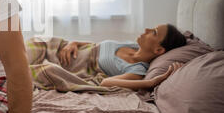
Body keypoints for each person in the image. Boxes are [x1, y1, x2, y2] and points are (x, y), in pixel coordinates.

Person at [57, 24, 186, 90]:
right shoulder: (133, 45)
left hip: (65, 64)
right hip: (62, 48)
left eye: (154, 32)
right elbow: (96, 45)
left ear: (159, 50)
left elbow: (105, 83)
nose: (146, 29)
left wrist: (152, 82)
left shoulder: (137, 70)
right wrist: (74, 43)